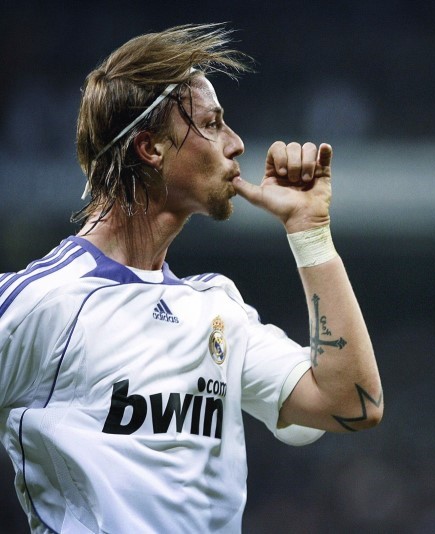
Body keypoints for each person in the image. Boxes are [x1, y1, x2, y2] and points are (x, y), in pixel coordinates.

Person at [0, 23, 383, 533]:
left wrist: (310, 232)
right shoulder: (42, 303)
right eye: (212, 123)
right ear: (151, 148)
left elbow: (352, 402)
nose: (237, 144)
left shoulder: (217, 310)